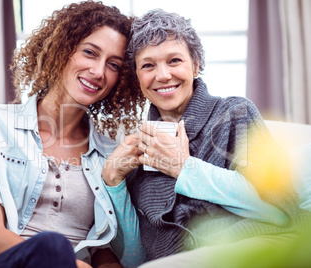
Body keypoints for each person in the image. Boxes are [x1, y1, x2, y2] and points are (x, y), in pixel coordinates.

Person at [102, 9, 306, 267]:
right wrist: (114, 185)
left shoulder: (235, 113)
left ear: (196, 64)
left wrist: (185, 168)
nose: (163, 75)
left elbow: (280, 210)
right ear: (138, 78)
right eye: (148, 65)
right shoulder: (138, 151)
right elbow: (134, 258)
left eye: (174, 60)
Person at [0, 1, 143, 267]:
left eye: (113, 65)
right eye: (90, 53)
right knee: (53, 245)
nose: (99, 71)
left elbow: (103, 249)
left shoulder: (110, 154)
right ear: (63, 49)